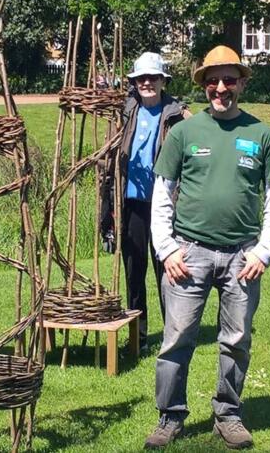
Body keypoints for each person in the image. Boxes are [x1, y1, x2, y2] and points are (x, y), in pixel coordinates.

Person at [144, 45, 270, 449]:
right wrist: (166, 249)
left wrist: (263, 251)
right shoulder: (183, 133)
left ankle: (228, 415)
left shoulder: (262, 134)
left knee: (236, 340)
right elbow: (162, 195)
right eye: (213, 80)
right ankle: (170, 417)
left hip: (242, 256)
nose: (221, 87)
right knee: (177, 337)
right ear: (203, 85)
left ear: (241, 82)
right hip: (189, 253)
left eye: (229, 79)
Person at [117, 52, 187, 353]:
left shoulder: (175, 114)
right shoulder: (126, 110)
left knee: (167, 269)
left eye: (153, 77)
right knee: (134, 270)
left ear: (163, 81)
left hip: (164, 205)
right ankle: (139, 337)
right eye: (141, 78)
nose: (147, 82)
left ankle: (174, 336)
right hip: (131, 201)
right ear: (134, 82)